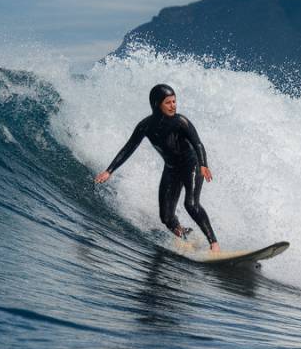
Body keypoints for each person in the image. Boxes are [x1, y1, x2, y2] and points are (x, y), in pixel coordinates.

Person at [95, 84, 221, 252]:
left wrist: (204, 164)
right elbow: (129, 148)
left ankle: (214, 244)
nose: (173, 106)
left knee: (190, 204)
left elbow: (197, 143)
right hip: (171, 169)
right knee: (166, 217)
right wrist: (109, 170)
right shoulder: (145, 126)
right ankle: (187, 237)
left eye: (174, 101)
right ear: (157, 104)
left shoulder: (180, 122)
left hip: (192, 165)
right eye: (168, 102)